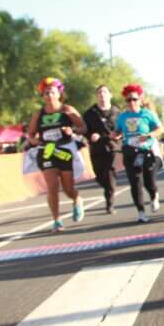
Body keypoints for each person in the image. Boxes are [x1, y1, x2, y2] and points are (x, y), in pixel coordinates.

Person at [26, 77, 87, 232]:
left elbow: (83, 128)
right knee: (52, 186)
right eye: (46, 93)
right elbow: (31, 134)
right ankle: (57, 221)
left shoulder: (67, 110)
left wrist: (72, 131)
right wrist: (34, 141)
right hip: (47, 151)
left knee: (68, 188)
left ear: (59, 93)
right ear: (43, 96)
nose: (49, 95)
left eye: (52, 92)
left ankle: (76, 198)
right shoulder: (38, 114)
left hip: (65, 150)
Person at [115, 84, 164, 223]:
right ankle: (141, 212)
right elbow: (118, 131)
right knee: (135, 181)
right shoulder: (123, 116)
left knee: (149, 179)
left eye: (134, 99)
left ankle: (154, 195)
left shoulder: (147, 114)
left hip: (145, 150)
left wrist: (149, 135)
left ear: (140, 99)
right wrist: (115, 134)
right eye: (128, 100)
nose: (131, 102)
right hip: (129, 150)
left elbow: (160, 129)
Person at [83, 85, 121, 214]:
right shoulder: (90, 113)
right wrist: (89, 135)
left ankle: (109, 204)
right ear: (96, 96)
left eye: (104, 92)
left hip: (113, 147)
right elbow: (84, 129)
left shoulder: (117, 112)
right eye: (99, 92)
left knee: (110, 173)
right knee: (99, 175)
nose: (102, 95)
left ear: (110, 95)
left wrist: (118, 135)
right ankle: (108, 189)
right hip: (97, 148)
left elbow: (123, 129)